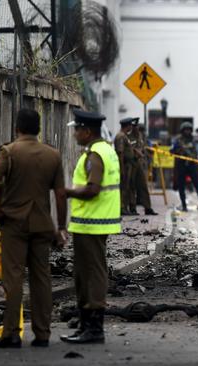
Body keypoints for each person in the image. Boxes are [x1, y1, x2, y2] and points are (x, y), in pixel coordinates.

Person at [0, 109, 67, 348]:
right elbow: (61, 194)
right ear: (39, 128)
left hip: (14, 224)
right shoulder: (53, 155)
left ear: (17, 128)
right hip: (42, 225)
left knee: (13, 278)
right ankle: (42, 333)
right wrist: (61, 226)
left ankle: (11, 332)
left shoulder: (9, 152)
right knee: (42, 279)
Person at [61, 110, 121, 344]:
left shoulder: (95, 154)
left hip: (91, 223)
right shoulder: (106, 150)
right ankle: (86, 325)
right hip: (95, 222)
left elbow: (93, 189)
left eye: (77, 129)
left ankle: (94, 328)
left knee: (92, 274)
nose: (75, 134)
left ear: (87, 131)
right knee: (83, 273)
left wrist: (64, 192)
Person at [171, 122, 198, 212]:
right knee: (181, 186)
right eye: (186, 130)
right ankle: (184, 206)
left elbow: (195, 153)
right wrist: (178, 151)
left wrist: (197, 165)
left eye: (189, 129)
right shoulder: (177, 140)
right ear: (182, 130)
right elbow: (172, 151)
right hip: (181, 165)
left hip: (192, 165)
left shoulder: (192, 140)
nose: (187, 131)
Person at [128, 120, 157, 215]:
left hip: (140, 165)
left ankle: (147, 208)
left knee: (143, 186)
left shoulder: (142, 138)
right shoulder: (128, 137)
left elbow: (148, 151)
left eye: (142, 130)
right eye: (139, 129)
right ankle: (132, 208)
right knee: (131, 186)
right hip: (131, 164)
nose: (140, 131)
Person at [115, 118, 137, 215]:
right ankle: (122, 208)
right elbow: (120, 153)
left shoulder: (125, 136)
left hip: (128, 164)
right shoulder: (121, 136)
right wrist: (122, 168)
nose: (131, 127)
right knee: (123, 187)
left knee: (126, 187)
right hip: (124, 165)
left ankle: (125, 207)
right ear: (127, 126)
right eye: (130, 125)